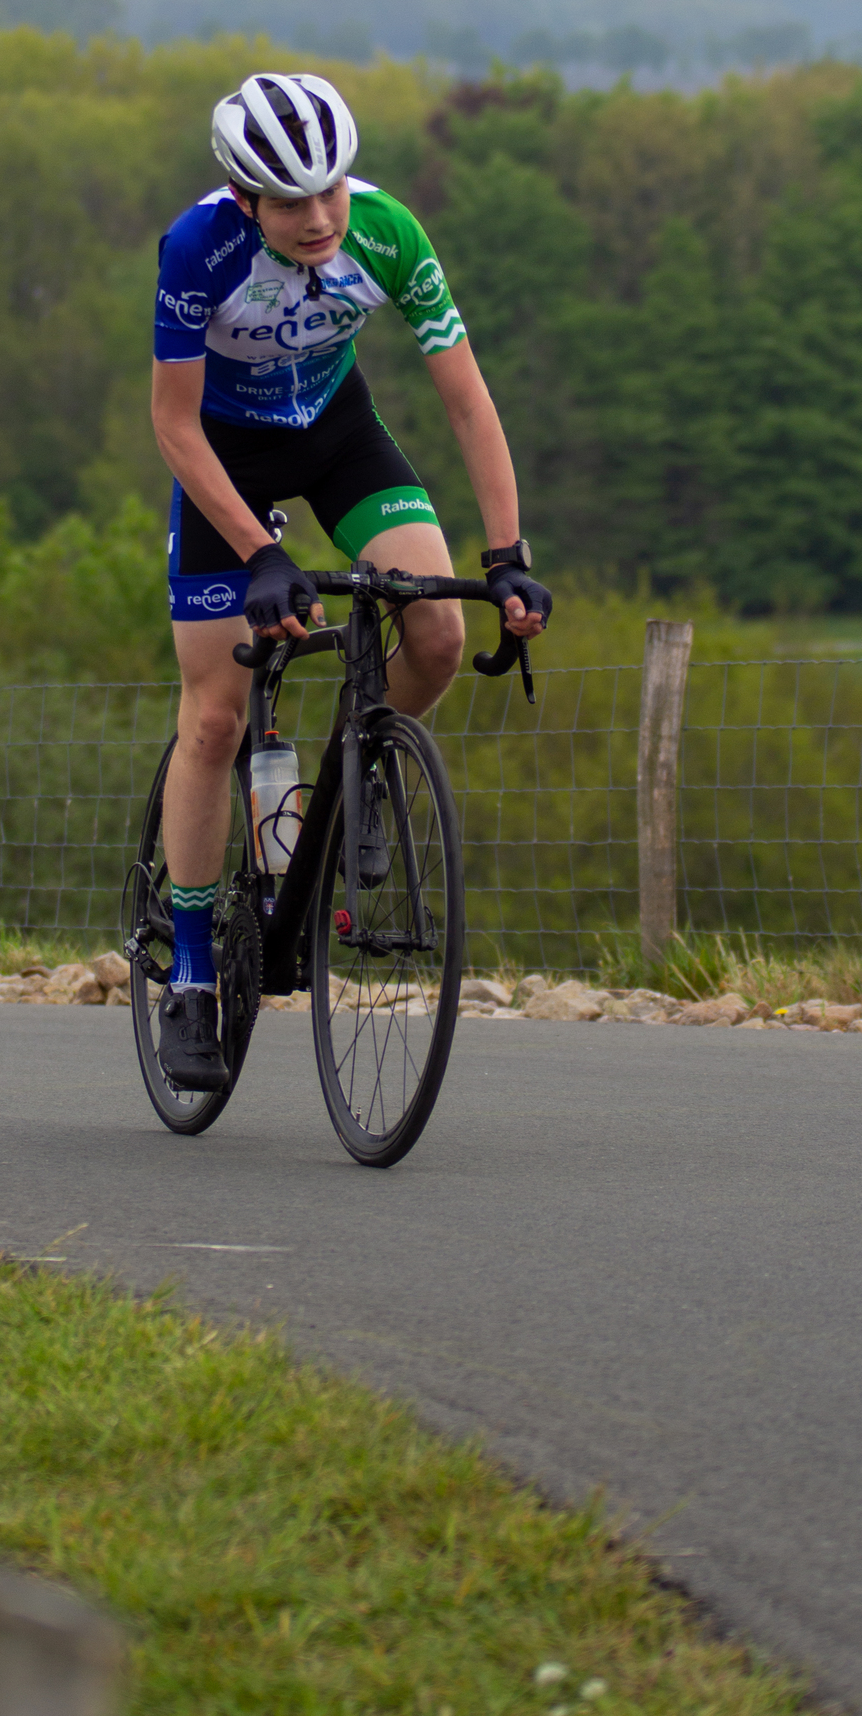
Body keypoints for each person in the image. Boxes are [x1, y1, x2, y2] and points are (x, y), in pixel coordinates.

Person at [150, 68, 551, 1091]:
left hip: (338, 439)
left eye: (331, 188)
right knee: (213, 721)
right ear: (246, 199)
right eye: (292, 200)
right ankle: (191, 972)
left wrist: (508, 556)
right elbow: (174, 425)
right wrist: (261, 553)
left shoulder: (388, 232)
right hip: (228, 462)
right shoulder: (199, 250)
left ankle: (356, 779)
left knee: (437, 634)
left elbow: (466, 401)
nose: (320, 216)